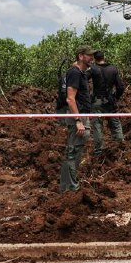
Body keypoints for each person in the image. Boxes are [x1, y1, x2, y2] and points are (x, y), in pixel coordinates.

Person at [59, 45, 94, 192]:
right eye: (89, 55)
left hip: (81, 115)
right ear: (81, 56)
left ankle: (68, 187)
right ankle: (70, 189)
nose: (91, 58)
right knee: (73, 152)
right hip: (77, 118)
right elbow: (70, 99)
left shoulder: (78, 72)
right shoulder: (75, 73)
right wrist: (78, 120)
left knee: (75, 152)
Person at [89, 50, 126, 155]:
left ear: (95, 59)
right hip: (110, 101)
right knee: (115, 124)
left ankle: (98, 152)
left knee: (97, 126)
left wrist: (87, 96)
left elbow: (82, 81)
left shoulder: (93, 69)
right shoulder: (113, 69)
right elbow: (120, 87)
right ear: (104, 57)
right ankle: (120, 148)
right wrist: (115, 97)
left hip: (97, 101)